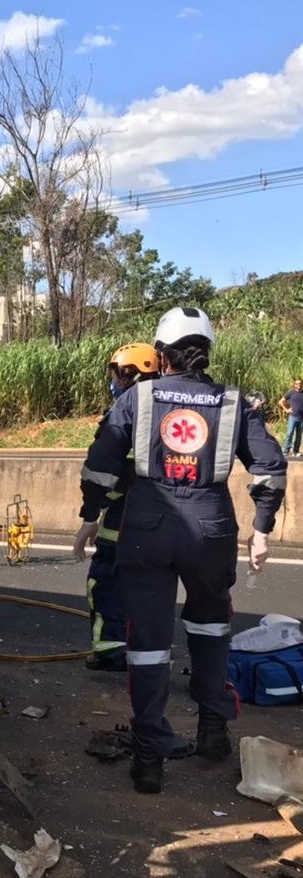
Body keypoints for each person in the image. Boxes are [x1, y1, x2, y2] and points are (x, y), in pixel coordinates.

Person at [73, 307, 286, 794]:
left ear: (162, 354)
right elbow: (269, 467)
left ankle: (149, 756)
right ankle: (213, 730)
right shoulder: (235, 404)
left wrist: (89, 517)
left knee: (147, 642)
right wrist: (262, 529)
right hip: (210, 528)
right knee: (212, 629)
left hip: (147, 524)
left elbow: (102, 463)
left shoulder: (138, 398)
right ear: (206, 353)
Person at [83, 343, 160, 672]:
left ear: (130, 375)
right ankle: (145, 651)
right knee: (147, 590)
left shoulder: (125, 412)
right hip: (161, 524)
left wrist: (91, 512)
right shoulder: (168, 410)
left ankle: (111, 650)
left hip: (122, 523)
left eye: (117, 373)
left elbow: (108, 473)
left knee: (105, 584)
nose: (113, 380)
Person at [278, 378, 303, 457]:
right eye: (297, 383)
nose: (299, 385)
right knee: (290, 433)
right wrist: (286, 410)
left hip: (301, 418)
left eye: (300, 383)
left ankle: (296, 451)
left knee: (299, 436)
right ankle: (286, 451)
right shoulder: (291, 393)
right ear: (295, 385)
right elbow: (280, 401)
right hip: (293, 417)